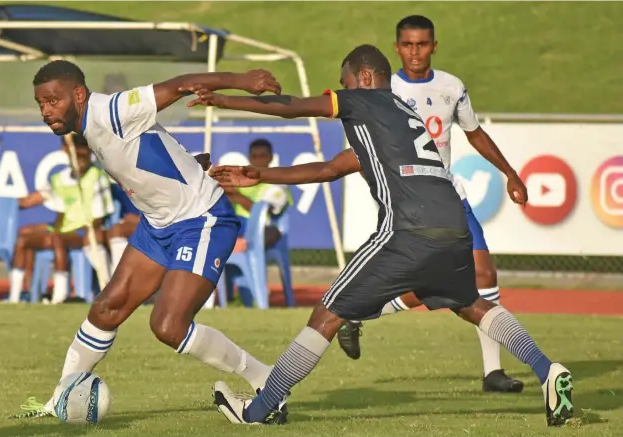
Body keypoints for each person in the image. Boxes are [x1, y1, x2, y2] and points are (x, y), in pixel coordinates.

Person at [199, 44, 573, 427]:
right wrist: (260, 175)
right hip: (454, 226)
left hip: (409, 229)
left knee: (327, 314)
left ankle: (262, 408)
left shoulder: (363, 101)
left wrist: (225, 101)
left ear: (363, 77)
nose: (339, 90)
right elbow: (330, 169)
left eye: (343, 82)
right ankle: (549, 371)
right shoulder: (400, 114)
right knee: (472, 305)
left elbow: (294, 106)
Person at [14, 61, 287, 419]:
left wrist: (242, 81)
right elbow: (146, 154)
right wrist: (188, 162)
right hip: (158, 226)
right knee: (106, 308)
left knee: (168, 326)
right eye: (40, 103)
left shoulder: (112, 110)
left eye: (52, 100)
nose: (46, 111)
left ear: (78, 95)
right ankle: (61, 400)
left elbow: (181, 84)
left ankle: (267, 380)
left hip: (201, 219)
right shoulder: (85, 128)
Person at [336, 15, 526, 394]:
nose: (415, 51)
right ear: (397, 48)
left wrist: (511, 173)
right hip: (407, 200)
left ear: (434, 46)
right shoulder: (381, 89)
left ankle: (492, 372)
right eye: (408, 44)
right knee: (426, 283)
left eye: (422, 44)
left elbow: (475, 133)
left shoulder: (451, 87)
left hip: (449, 194)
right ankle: (355, 313)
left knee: (484, 275)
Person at [7, 133, 113, 304]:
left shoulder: (96, 177)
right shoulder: (59, 178)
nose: (78, 158)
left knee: (57, 238)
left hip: (83, 232)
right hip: (63, 230)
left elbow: (99, 219)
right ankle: (15, 296)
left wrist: (75, 229)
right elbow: (36, 201)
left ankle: (60, 294)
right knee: (24, 236)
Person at [225, 138, 292, 252]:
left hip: (260, 226)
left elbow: (261, 211)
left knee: (267, 233)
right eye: (254, 156)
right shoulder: (244, 179)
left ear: (271, 157)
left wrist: (235, 195)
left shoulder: (278, 182)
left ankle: (237, 245)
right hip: (235, 223)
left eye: (262, 156)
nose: (258, 160)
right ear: (249, 158)